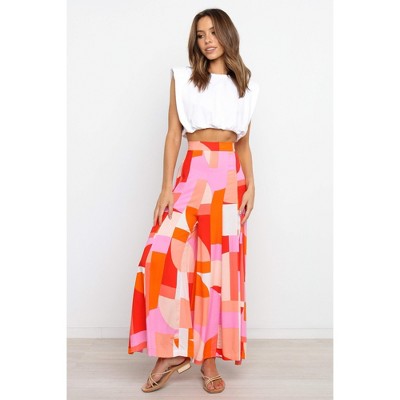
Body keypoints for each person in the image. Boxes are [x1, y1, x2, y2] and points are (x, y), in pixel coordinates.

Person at [128, 8, 260, 394]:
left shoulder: (247, 87)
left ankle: (209, 360)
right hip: (193, 173)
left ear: (227, 35)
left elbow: (244, 143)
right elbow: (173, 135)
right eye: (200, 34)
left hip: (230, 179)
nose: (207, 40)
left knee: (217, 272)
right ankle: (171, 352)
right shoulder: (183, 79)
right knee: (161, 255)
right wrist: (165, 187)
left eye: (213, 32)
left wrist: (252, 184)